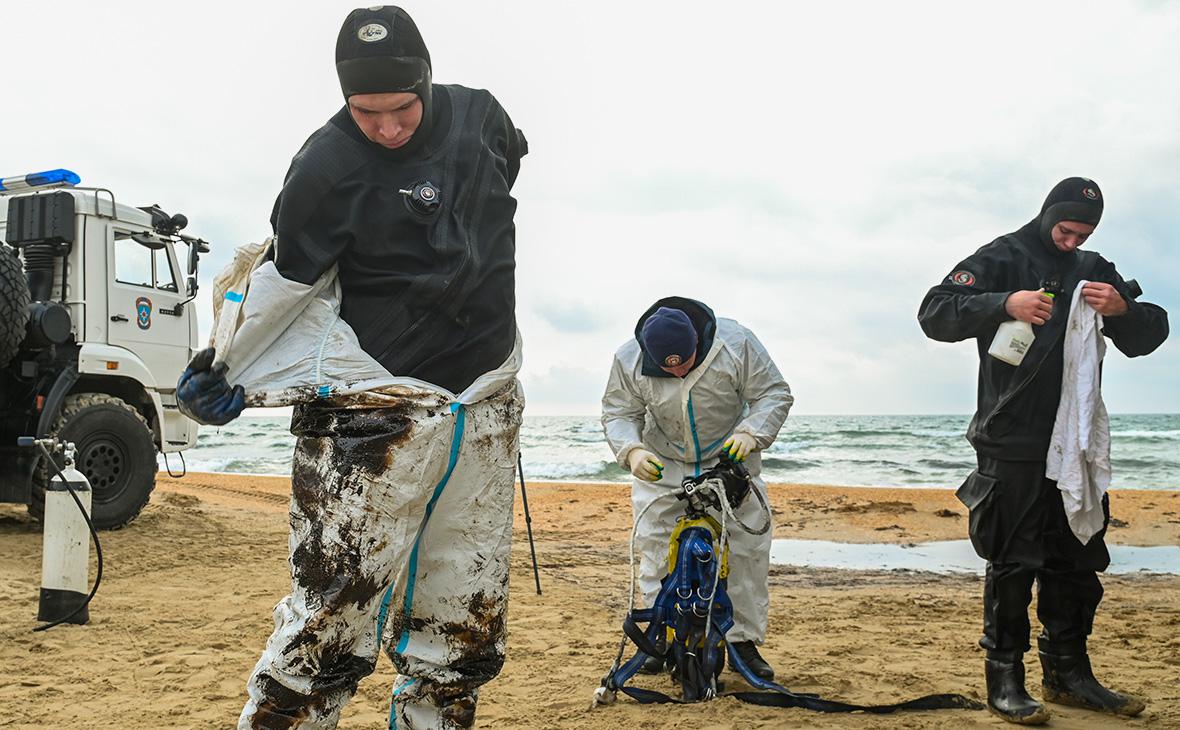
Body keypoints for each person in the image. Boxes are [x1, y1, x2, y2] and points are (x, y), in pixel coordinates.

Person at [177, 6, 528, 728]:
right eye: (367, 112)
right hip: (377, 410)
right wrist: (224, 367)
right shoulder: (326, 167)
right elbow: (282, 282)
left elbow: (511, 159)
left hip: (485, 401)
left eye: (401, 109)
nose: (388, 128)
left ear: (426, 83)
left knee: (463, 622)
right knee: (330, 618)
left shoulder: (482, 118)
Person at [917, 177, 1168, 724]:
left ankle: (1070, 674)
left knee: (1077, 560)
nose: (1073, 241)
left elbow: (1151, 334)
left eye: (1085, 233)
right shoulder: (1001, 256)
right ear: (1048, 214)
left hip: (1074, 441)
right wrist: (1004, 302)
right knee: (1012, 561)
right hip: (1012, 438)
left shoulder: (1093, 266)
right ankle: (1005, 679)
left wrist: (1123, 308)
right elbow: (935, 311)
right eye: (1067, 229)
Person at [601, 297, 793, 680]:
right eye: (667, 368)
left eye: (685, 363)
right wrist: (632, 451)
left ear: (697, 343)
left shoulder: (736, 343)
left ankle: (741, 642)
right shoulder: (628, 360)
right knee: (656, 550)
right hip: (663, 461)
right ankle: (663, 635)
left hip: (730, 455)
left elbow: (774, 394)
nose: (678, 373)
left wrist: (751, 433)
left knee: (743, 551)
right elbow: (619, 412)